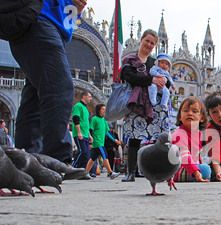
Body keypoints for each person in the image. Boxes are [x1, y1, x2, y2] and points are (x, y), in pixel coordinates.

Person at [8, 0, 87, 163]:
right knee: (61, 88)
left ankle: (28, 161)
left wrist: (76, 8)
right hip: (41, 21)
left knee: (34, 100)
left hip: (50, 28)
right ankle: (57, 160)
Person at [120, 29, 171, 182]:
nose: (149, 44)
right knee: (134, 137)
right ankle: (130, 172)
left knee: (157, 138)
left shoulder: (154, 63)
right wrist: (151, 80)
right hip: (136, 102)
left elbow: (165, 78)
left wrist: (162, 82)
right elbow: (128, 77)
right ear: (141, 39)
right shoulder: (130, 59)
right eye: (147, 41)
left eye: (152, 43)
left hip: (153, 102)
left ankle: (154, 170)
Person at [172, 96, 211, 183]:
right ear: (180, 117)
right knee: (206, 169)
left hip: (192, 166)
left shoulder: (197, 133)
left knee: (209, 161)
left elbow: (198, 155)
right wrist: (196, 172)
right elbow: (184, 157)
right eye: (185, 111)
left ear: (202, 118)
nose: (189, 113)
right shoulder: (179, 134)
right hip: (179, 171)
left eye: (194, 111)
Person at [84, 104, 121, 180]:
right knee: (105, 155)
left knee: (92, 158)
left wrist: (115, 140)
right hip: (97, 142)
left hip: (100, 142)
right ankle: (111, 173)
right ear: (99, 110)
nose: (105, 111)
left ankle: (85, 173)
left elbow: (107, 132)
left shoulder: (104, 120)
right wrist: (90, 141)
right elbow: (91, 130)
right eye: (103, 109)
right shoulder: (94, 119)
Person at [72, 91, 93, 170]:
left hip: (85, 134)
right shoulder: (78, 106)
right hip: (79, 133)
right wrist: (79, 132)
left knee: (87, 154)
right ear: (84, 96)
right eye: (89, 96)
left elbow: (86, 123)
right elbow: (76, 119)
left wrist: (89, 135)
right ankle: (72, 168)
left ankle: (82, 171)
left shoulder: (85, 109)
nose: (91, 99)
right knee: (82, 152)